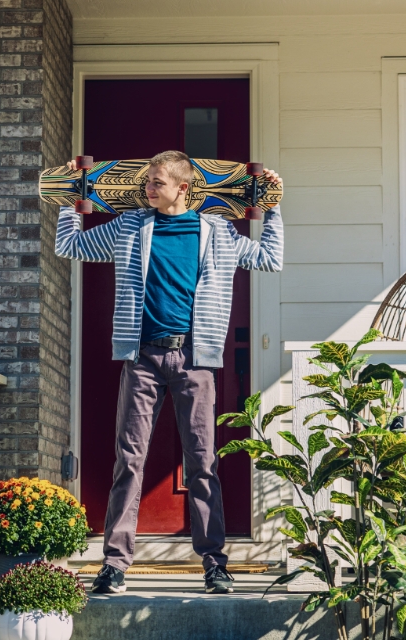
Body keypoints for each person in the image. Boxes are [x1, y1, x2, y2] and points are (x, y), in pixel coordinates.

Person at [55, 150, 284, 594]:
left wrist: (271, 205)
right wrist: (69, 199)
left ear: (183, 188)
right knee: (129, 461)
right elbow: (71, 246)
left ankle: (214, 564)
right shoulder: (130, 227)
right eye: (146, 183)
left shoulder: (217, 232)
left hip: (196, 361)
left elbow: (269, 258)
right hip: (141, 358)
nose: (147, 189)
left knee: (202, 464)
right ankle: (115, 565)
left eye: (156, 183)